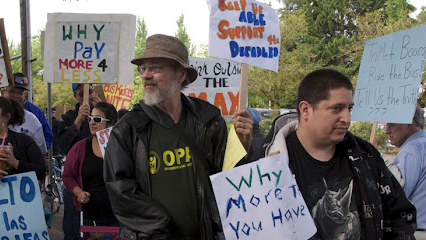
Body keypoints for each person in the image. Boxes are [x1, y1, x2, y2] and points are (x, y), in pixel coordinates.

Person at [103, 34, 253, 239]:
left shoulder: (208, 120)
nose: (146, 75)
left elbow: (228, 181)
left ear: (181, 75)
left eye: (155, 67)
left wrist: (243, 146)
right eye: (142, 68)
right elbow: (120, 194)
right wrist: (162, 226)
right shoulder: (127, 129)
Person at [251, 69, 416, 239]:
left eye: (349, 109)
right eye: (336, 108)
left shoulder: (366, 156)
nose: (346, 118)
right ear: (306, 110)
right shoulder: (261, 164)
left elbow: (400, 216)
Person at [63, 102, 119, 232]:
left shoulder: (123, 148)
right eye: (90, 119)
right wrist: (79, 193)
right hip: (89, 215)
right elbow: (67, 176)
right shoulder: (79, 148)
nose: (92, 123)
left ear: (111, 124)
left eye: (97, 119)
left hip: (117, 216)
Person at [57, 83, 102, 240]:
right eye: (81, 93)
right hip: (75, 180)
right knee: (73, 227)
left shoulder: (106, 112)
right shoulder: (67, 117)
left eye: (89, 91)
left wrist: (101, 111)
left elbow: (117, 138)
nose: (87, 96)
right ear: (75, 97)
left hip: (101, 180)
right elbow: (62, 146)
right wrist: (78, 121)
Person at [386, 104, 426, 239]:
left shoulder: (411, 150)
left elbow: (396, 195)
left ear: (409, 123)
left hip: (416, 231)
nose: (386, 131)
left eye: (391, 125)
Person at [9, 72, 53, 150]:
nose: (16, 96)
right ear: (4, 92)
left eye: (19, 92)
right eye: (12, 91)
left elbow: (47, 136)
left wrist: (34, 151)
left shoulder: (34, 113)